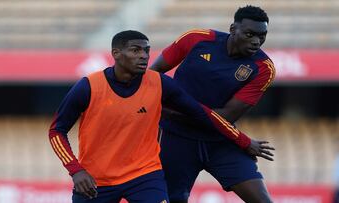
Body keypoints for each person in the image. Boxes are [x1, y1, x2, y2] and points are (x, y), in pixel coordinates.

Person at [48, 30, 273, 203]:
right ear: (116, 54)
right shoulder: (88, 86)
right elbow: (56, 131)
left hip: (144, 175)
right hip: (95, 179)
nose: (144, 56)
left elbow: (205, 114)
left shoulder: (160, 84)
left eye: (146, 50)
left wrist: (243, 141)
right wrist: (76, 170)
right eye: (136, 50)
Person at [150, 5, 276, 203]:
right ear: (233, 28)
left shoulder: (263, 68)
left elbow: (226, 117)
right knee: (172, 199)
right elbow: (153, 74)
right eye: (250, 34)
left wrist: (169, 112)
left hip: (220, 140)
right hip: (176, 139)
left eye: (262, 36)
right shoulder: (197, 38)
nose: (256, 41)